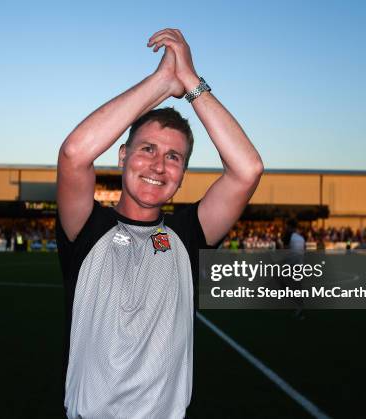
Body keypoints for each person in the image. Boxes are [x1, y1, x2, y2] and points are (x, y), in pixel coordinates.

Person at [56, 28, 263, 418]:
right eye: (147, 149)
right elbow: (73, 154)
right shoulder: (86, 227)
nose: (158, 165)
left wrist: (191, 83)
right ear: (121, 156)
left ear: (183, 174)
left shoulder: (188, 235)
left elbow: (247, 170)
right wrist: (159, 84)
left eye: (174, 157)